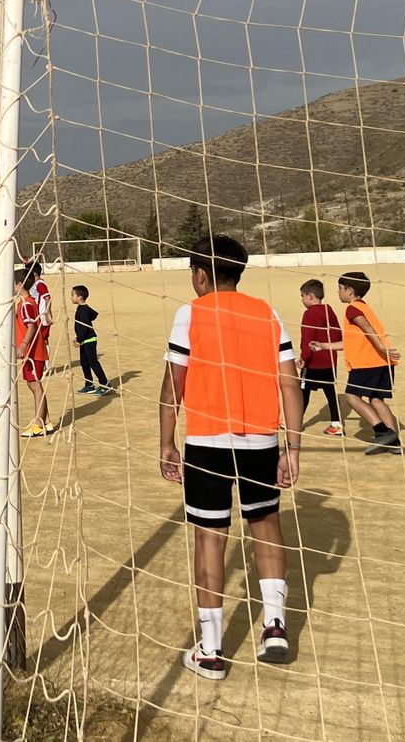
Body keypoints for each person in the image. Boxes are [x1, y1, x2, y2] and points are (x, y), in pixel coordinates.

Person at [158, 236, 302, 681]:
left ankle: (212, 650)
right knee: (266, 526)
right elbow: (290, 383)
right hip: (260, 441)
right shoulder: (267, 313)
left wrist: (167, 443)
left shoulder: (191, 313)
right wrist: (293, 446)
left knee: (210, 539)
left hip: (207, 444)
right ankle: (274, 627)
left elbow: (172, 387)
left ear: (200, 275)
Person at [337, 271, 403, 455]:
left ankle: (382, 431)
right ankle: (394, 442)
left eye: (340, 288)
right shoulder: (365, 306)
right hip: (382, 362)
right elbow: (353, 340)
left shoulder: (352, 309)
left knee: (351, 397)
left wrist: (381, 347)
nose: (338, 292)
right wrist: (325, 346)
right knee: (376, 399)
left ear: (349, 290)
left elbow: (367, 328)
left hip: (367, 363)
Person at [297, 279, 343, 435]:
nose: (302, 300)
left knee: (302, 392)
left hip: (313, 363)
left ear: (310, 296)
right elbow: (338, 334)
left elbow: (307, 338)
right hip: (330, 361)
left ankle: (296, 422)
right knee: (331, 392)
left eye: (302, 296)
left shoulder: (309, 314)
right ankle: (336, 424)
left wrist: (304, 357)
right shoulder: (329, 310)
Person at [15, 270, 52, 437]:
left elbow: (31, 326)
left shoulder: (26, 305)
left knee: (35, 385)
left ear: (19, 284)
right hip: (31, 351)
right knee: (32, 384)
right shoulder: (25, 302)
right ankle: (47, 421)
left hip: (33, 351)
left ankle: (38, 424)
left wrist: (23, 344)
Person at [69, 284, 110, 395]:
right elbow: (91, 317)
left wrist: (79, 339)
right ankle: (89, 384)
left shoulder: (83, 310)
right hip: (84, 340)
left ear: (80, 297)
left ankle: (105, 383)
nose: (71, 297)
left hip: (89, 340)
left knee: (93, 362)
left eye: (72, 295)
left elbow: (85, 326)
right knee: (84, 363)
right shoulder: (83, 308)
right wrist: (78, 337)